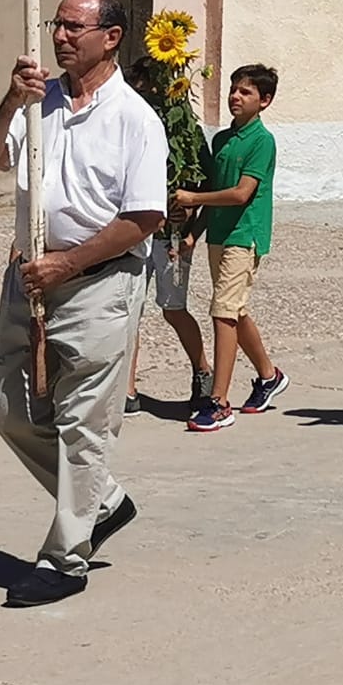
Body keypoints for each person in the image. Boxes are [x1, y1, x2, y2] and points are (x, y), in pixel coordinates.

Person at [0, 0, 167, 606]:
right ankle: (101, 502)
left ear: (111, 38)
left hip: (99, 282)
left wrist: (69, 263)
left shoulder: (135, 119)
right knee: (10, 410)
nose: (60, 36)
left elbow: (144, 218)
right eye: (58, 24)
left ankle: (64, 558)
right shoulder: (38, 105)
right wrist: (9, 101)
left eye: (75, 27)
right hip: (29, 278)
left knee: (84, 427)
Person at [174, 65, 288, 431]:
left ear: (264, 101)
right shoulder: (222, 140)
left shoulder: (262, 141)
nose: (236, 97)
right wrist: (194, 232)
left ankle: (219, 401)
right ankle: (269, 376)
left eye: (247, 93)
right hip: (219, 235)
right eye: (233, 90)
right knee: (235, 310)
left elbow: (241, 193)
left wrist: (193, 196)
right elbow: (215, 193)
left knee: (222, 311)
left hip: (245, 234)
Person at [120, 55, 212, 416]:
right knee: (128, 309)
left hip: (172, 237)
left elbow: (205, 184)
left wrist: (190, 229)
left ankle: (202, 369)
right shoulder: (129, 126)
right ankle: (127, 388)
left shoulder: (185, 129)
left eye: (149, 89)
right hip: (132, 232)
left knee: (173, 308)